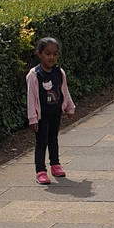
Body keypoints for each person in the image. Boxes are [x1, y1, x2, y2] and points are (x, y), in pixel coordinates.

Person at [27, 37, 75, 184]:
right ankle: (40, 170)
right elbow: (31, 98)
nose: (51, 57)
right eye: (47, 53)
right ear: (39, 53)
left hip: (55, 113)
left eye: (54, 54)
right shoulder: (34, 75)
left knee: (53, 139)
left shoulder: (59, 72)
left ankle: (55, 164)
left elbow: (64, 90)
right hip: (41, 116)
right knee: (41, 142)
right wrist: (32, 118)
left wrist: (69, 107)